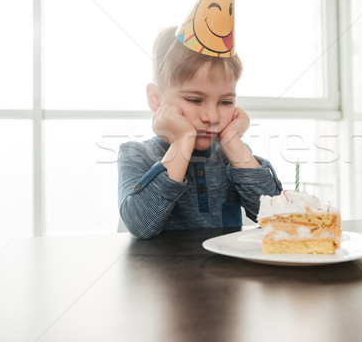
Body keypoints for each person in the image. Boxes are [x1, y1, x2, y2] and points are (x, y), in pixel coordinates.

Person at [117, 27, 282, 238]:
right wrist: (182, 140)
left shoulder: (234, 156)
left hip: (225, 271)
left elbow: (279, 219)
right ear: (156, 99)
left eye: (225, 102)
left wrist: (232, 143)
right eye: (194, 100)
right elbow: (141, 226)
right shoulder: (136, 154)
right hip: (160, 271)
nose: (212, 116)